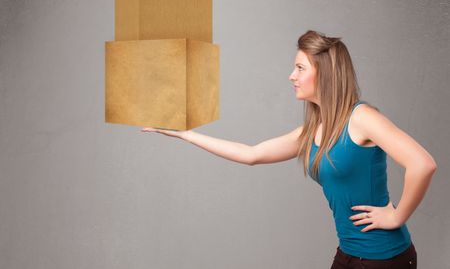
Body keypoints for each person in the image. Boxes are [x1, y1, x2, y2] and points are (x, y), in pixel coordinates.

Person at [141, 29, 437, 268]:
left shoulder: (362, 118)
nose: (291, 76)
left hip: (384, 258)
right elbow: (251, 154)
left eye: (299, 68)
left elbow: (422, 164)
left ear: (325, 73)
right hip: (348, 255)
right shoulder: (313, 131)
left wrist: (397, 216)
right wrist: (187, 135)